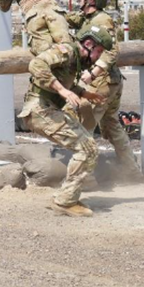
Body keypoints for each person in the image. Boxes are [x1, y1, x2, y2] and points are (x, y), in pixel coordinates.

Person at [24, 25, 111, 217]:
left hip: (46, 109)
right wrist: (62, 91)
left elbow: (64, 81)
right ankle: (65, 201)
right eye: (98, 51)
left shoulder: (76, 60)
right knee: (87, 149)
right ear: (88, 44)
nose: (98, 57)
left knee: (88, 148)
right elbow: (36, 64)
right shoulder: (67, 51)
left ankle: (67, 197)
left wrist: (85, 93)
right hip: (40, 110)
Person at [65, 0, 143, 181]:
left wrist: (93, 73)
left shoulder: (101, 20)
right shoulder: (89, 18)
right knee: (111, 125)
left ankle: (85, 178)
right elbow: (70, 19)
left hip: (102, 82)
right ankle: (132, 172)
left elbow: (111, 50)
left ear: (91, 0)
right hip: (110, 82)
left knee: (84, 128)